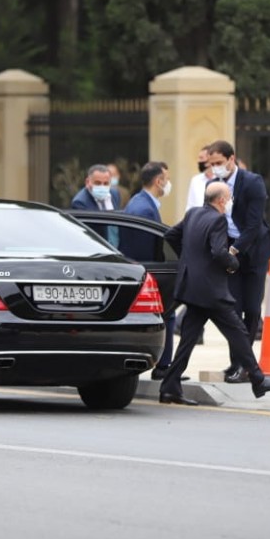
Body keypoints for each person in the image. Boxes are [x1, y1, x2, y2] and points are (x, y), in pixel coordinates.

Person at [158, 182, 270, 405]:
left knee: (188, 339)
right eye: (229, 198)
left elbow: (170, 235)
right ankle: (258, 380)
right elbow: (219, 252)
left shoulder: (193, 214)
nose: (230, 202)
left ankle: (169, 388)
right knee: (238, 331)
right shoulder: (218, 220)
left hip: (192, 287)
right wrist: (233, 264)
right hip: (210, 290)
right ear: (220, 201)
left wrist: (190, 261)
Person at [206, 140, 270, 384]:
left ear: (231, 159)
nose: (215, 168)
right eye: (211, 164)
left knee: (252, 309)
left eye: (218, 163)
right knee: (232, 309)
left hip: (254, 252)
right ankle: (238, 363)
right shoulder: (212, 186)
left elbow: (254, 224)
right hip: (230, 254)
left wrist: (234, 249)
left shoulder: (252, 182)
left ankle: (245, 365)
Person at [122, 162, 177, 380]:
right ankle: (164, 366)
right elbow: (144, 248)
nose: (168, 183)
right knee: (167, 314)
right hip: (148, 271)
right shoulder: (143, 208)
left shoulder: (141, 202)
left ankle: (165, 364)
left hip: (145, 269)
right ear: (158, 181)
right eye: (166, 178)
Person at [184, 147, 213, 211]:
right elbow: (190, 205)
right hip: (198, 219)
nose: (198, 161)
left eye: (201, 158)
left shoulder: (221, 179)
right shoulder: (195, 180)